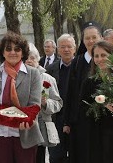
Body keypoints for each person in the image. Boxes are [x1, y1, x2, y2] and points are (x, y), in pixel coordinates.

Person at [0, 31, 44, 163]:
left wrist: (29, 120)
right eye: (8, 49)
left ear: (23, 53)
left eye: (17, 49)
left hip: (26, 135)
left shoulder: (33, 74)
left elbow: (35, 104)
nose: (12, 52)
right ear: (2, 52)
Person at [63, 22, 102, 163]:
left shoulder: (106, 60)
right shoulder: (77, 62)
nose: (90, 41)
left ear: (101, 38)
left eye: (94, 37)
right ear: (83, 40)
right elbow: (70, 92)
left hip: (103, 120)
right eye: (87, 38)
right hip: (80, 120)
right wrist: (67, 121)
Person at [26, 43, 63, 163]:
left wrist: (46, 103)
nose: (29, 61)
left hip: (40, 127)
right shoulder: (15, 77)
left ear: (38, 60)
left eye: (32, 58)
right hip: (21, 127)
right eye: (26, 58)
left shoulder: (48, 79)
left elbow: (58, 103)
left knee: (38, 158)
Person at [46, 34, 76, 163]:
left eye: (69, 46)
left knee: (77, 155)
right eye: (63, 47)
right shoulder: (50, 70)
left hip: (76, 120)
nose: (66, 50)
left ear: (74, 49)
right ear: (58, 50)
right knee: (56, 156)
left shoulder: (81, 68)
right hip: (56, 119)